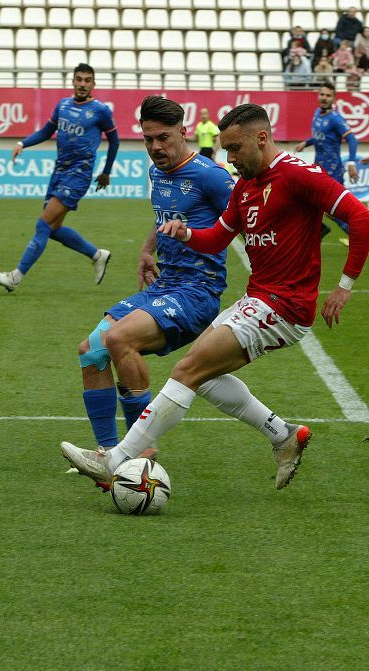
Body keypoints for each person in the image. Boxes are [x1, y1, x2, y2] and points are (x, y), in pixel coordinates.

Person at [60, 103, 369, 491]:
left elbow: (362, 218)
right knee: (205, 378)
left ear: (261, 138)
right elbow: (217, 237)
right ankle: (283, 435)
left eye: (234, 149)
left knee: (185, 372)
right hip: (257, 299)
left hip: (284, 306)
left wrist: (344, 287)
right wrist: (184, 234)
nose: (229, 158)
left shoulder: (296, 173)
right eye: (225, 150)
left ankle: (116, 459)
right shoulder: (245, 187)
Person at [76, 96, 234, 459]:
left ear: (183, 132)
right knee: (91, 351)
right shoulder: (157, 172)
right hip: (164, 285)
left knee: (118, 339)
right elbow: (164, 214)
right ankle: (107, 452)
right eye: (148, 139)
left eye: (163, 138)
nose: (155, 147)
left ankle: (139, 451)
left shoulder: (210, 175)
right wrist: (148, 249)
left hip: (198, 291)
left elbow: (245, 219)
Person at [0, 63, 118, 293]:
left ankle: (15, 277)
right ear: (73, 81)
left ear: (93, 84)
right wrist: (23, 143)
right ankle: (97, 255)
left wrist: (106, 171)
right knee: (54, 228)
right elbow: (47, 132)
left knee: (43, 224)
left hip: (80, 174)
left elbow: (114, 140)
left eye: (87, 80)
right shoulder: (63, 105)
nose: (82, 84)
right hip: (59, 171)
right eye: (79, 79)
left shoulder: (100, 111)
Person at [294, 82, 359, 239]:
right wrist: (307, 142)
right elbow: (320, 137)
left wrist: (351, 163)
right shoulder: (317, 112)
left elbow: (352, 140)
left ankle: (356, 234)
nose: (324, 98)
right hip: (318, 168)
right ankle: (321, 229)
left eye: (328, 95)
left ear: (334, 98)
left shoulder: (336, 119)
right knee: (307, 201)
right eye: (322, 94)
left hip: (332, 171)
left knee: (331, 209)